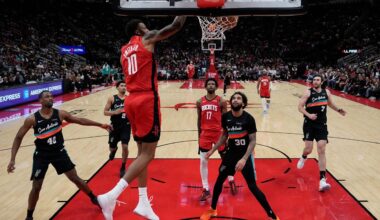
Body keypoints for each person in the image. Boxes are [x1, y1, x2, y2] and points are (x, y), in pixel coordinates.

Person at [97, 17, 187, 220]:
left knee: (140, 153)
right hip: (147, 99)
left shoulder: (123, 50)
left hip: (131, 100)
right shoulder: (146, 37)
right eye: (145, 25)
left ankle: (143, 201)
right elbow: (175, 26)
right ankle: (111, 196)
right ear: (139, 29)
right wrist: (185, 8)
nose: (149, 27)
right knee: (148, 154)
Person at [6, 90, 111, 220]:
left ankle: (94, 198)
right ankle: (29, 216)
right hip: (41, 155)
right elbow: (18, 137)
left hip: (59, 152)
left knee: (75, 178)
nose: (50, 98)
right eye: (46, 96)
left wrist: (100, 125)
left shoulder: (60, 114)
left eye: (51, 96)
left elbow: (80, 120)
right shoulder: (32, 119)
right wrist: (12, 159)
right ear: (40, 101)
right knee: (36, 186)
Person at [200, 91, 278, 220]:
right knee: (219, 180)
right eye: (233, 98)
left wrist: (244, 159)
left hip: (245, 155)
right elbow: (224, 135)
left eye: (238, 98)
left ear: (243, 103)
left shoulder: (249, 118)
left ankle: (272, 216)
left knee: (252, 186)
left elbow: (253, 141)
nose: (235, 100)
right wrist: (212, 150)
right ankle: (213, 210)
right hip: (231, 154)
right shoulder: (226, 117)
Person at [297, 74, 346, 191]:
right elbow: (300, 107)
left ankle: (322, 180)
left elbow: (330, 104)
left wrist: (338, 110)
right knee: (308, 149)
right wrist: (309, 115)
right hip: (309, 124)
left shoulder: (326, 92)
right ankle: (304, 157)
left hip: (321, 125)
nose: (315, 81)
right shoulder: (308, 93)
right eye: (314, 79)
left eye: (317, 79)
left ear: (322, 81)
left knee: (321, 149)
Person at [197, 78, 236, 201]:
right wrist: (199, 134)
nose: (211, 85)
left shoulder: (221, 101)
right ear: (205, 86)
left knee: (225, 158)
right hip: (205, 134)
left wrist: (227, 133)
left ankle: (231, 179)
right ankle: (205, 188)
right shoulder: (199, 101)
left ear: (216, 86)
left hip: (219, 133)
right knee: (203, 160)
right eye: (209, 84)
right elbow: (199, 119)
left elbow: (226, 119)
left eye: (213, 84)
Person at [103, 81, 131, 177]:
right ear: (117, 87)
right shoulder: (112, 98)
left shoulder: (129, 99)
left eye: (125, 86)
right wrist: (115, 112)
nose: (124, 87)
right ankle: (113, 151)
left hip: (126, 126)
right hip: (114, 126)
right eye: (122, 86)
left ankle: (123, 166)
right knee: (112, 147)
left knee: (125, 146)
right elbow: (105, 112)